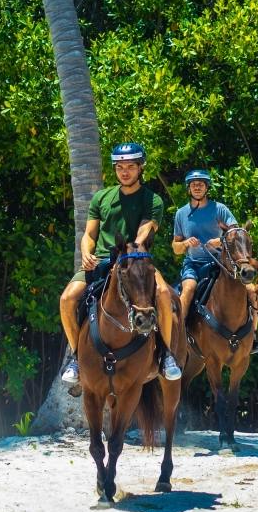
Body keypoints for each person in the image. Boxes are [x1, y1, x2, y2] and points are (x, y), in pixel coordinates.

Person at [58, 142, 182, 391]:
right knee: (67, 299)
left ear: (140, 168)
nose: (124, 172)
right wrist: (86, 253)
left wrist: (132, 251)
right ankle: (75, 358)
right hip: (102, 259)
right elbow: (89, 234)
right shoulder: (101, 198)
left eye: (130, 167)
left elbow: (147, 229)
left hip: (136, 261)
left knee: (164, 294)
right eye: (120, 167)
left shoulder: (152, 199)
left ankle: (166, 354)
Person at [171, 170, 238, 335]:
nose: (197, 187)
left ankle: (255, 334)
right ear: (188, 189)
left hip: (219, 262)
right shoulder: (181, 214)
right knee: (188, 288)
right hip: (193, 264)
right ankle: (178, 331)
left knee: (249, 289)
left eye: (201, 184)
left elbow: (235, 232)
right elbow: (176, 248)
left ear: (207, 187)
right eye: (193, 185)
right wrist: (185, 243)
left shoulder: (219, 209)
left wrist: (220, 240)